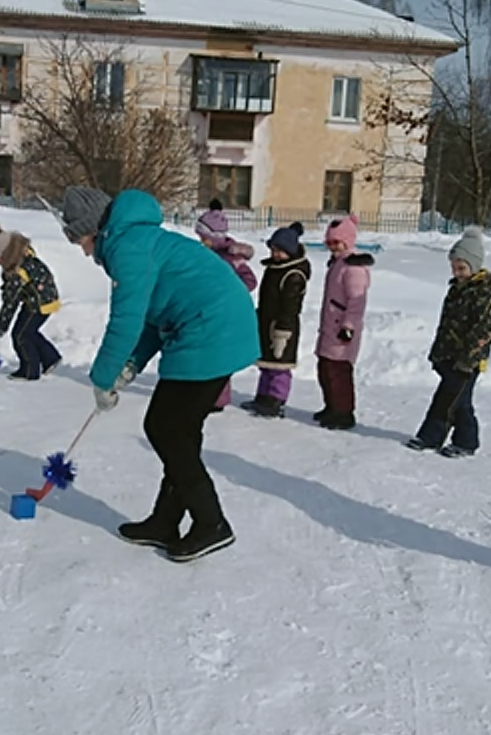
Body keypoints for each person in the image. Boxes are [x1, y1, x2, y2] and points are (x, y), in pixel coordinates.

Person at [56, 186, 259, 562]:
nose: (83, 251)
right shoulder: (136, 238)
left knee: (165, 427)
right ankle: (166, 521)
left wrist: (103, 377)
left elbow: (126, 318)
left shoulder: (125, 247)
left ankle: (211, 523)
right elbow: (151, 314)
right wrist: (130, 365)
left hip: (211, 330)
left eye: (80, 240)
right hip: (214, 326)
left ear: (92, 230)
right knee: (178, 431)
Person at [405, 226, 491, 457]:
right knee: (449, 398)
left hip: (467, 360)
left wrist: (469, 358)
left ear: (474, 266)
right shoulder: (458, 289)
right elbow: (447, 324)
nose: (457, 272)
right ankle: (434, 438)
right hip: (450, 355)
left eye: (462, 267)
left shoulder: (485, 293)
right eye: (454, 267)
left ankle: (463, 442)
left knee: (456, 401)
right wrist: (438, 352)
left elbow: (484, 330)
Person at [242, 222, 311, 418]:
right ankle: (263, 396)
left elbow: (290, 307)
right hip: (266, 320)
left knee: (279, 367)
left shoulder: (293, 274)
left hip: (282, 326)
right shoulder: (274, 269)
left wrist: (284, 330)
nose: (276, 254)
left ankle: (276, 399)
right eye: (274, 250)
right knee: (267, 363)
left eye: (281, 251)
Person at [195, 200, 257, 412]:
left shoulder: (232, 257)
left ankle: (218, 398)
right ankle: (204, 392)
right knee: (206, 353)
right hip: (206, 310)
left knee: (219, 356)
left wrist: (230, 294)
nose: (202, 242)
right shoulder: (205, 254)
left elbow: (250, 281)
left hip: (225, 312)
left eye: (205, 239)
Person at [313, 215, 374, 430]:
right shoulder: (337, 264)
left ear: (347, 241)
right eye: (329, 243)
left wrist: (348, 327)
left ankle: (343, 412)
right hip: (330, 327)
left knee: (339, 373)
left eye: (336, 242)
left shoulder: (353, 267)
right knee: (325, 369)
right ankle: (331, 406)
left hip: (342, 330)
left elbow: (356, 302)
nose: (332, 247)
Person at [0, 219, 62, 380]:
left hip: (40, 302)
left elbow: (11, 301)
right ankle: (51, 358)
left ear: (5, 253)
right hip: (39, 298)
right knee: (29, 332)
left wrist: (2, 324)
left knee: (20, 335)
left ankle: (29, 370)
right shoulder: (20, 255)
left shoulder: (18, 271)